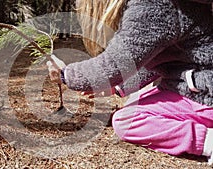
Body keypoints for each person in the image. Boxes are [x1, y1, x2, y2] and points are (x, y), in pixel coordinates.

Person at [46, 0, 213, 165]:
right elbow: (152, 59)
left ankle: (208, 141)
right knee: (135, 103)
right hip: (195, 85)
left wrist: (65, 75)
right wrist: (117, 87)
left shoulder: (154, 5)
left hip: (204, 94)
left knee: (125, 120)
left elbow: (113, 64)